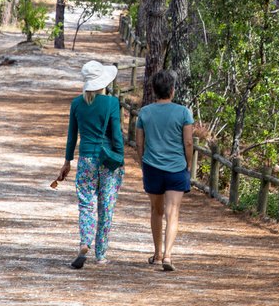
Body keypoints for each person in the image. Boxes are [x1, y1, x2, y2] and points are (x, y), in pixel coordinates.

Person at [57, 60, 125, 268]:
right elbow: (117, 135)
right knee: (106, 205)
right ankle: (101, 254)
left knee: (86, 203)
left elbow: (71, 137)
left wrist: (67, 161)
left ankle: (85, 242)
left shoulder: (76, 104)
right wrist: (120, 159)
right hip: (108, 161)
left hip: (86, 159)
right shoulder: (111, 103)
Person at [136, 71, 193, 272]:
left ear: (153, 90)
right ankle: (168, 254)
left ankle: (157, 254)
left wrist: (142, 162)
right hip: (177, 168)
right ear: (172, 90)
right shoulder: (184, 112)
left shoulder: (145, 112)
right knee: (172, 213)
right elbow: (188, 142)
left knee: (156, 211)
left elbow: (139, 142)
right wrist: (188, 163)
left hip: (152, 166)